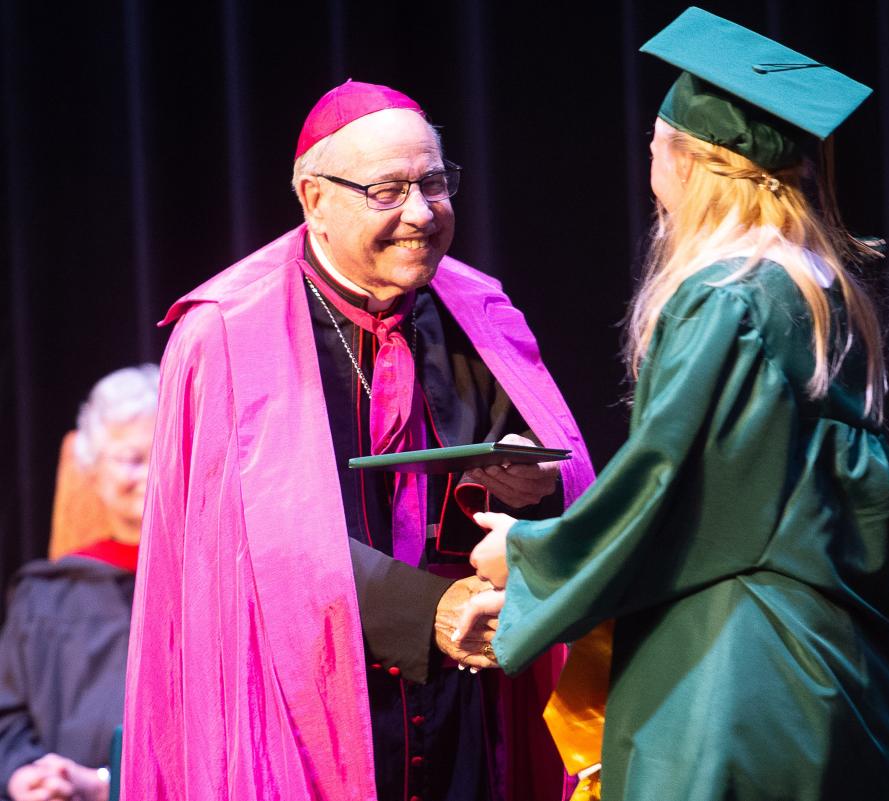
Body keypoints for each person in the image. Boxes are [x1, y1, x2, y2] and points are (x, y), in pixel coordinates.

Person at [462, 8, 889, 801]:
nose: (648, 158)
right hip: (841, 668)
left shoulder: (727, 301)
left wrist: (532, 554)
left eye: (655, 142)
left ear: (690, 162)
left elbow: (669, 487)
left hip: (735, 677)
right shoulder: (821, 289)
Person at [120, 81, 594, 801]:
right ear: (314, 199)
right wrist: (422, 611)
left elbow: (562, 470)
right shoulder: (223, 334)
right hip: (295, 714)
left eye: (434, 183)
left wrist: (535, 491)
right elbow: (240, 551)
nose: (420, 213)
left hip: (466, 712)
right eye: (387, 190)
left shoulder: (481, 307)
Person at [0, 364, 159, 801]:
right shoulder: (46, 594)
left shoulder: (215, 581)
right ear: (92, 470)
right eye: (131, 459)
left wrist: (106, 785)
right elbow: (6, 722)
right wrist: (22, 777)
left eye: (164, 453)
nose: (150, 474)